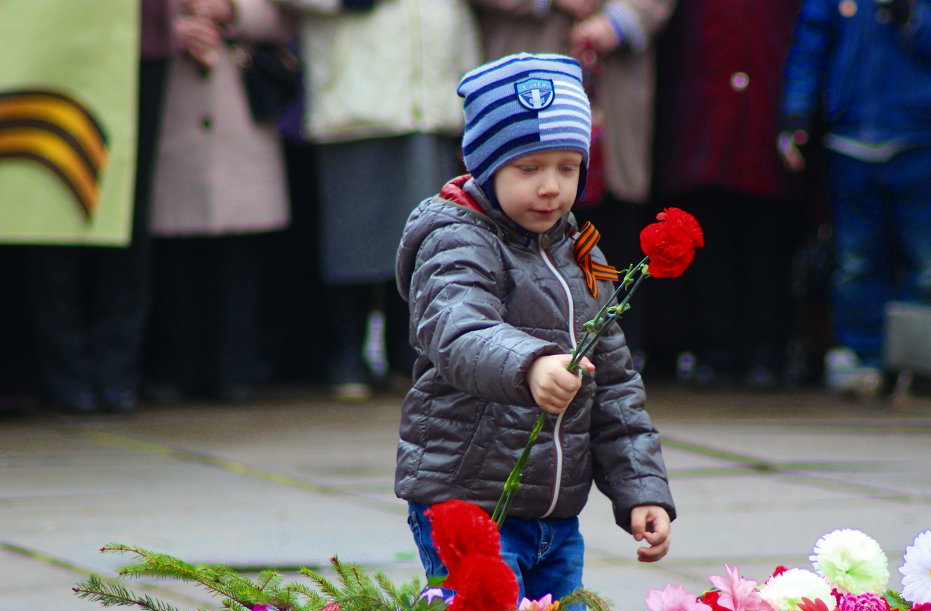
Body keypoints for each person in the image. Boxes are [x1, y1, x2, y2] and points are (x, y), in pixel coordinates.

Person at [394, 53, 675, 602]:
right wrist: (530, 364)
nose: (551, 187)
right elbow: (458, 331)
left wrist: (641, 491)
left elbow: (615, 386)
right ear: (485, 165)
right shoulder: (456, 239)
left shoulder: (583, 249)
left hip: (556, 516)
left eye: (567, 168)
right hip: (469, 506)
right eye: (529, 168)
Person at [271, 0, 482, 400]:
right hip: (355, 103)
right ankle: (344, 355)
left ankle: (407, 355)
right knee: (352, 243)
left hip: (430, 105)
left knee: (424, 243)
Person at [779, 0, 931, 384]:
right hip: (851, 138)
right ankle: (865, 356)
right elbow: (810, 44)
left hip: (923, 137)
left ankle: (924, 364)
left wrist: (912, 18)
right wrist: (797, 113)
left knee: (930, 266)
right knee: (857, 262)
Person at [468, 0, 676, 371]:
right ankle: (524, 357)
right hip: (524, 60)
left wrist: (621, 20)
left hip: (612, 78)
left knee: (609, 230)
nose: (553, 186)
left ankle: (613, 357)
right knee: (523, 225)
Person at [20, 0, 171, 414]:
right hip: (51, 42)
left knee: (128, 214)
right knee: (52, 206)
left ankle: (116, 369)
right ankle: (66, 372)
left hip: (137, 44)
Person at [652, 0, 810, 388]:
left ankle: (766, 350)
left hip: (768, 121)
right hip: (703, 123)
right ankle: (715, 350)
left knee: (767, 243)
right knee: (709, 243)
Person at [143, 0, 293, 404]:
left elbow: (287, 16)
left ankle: (234, 370)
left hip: (236, 115)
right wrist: (170, 32)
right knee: (174, 255)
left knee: (238, 257)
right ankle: (173, 370)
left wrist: (231, 11)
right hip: (170, 108)